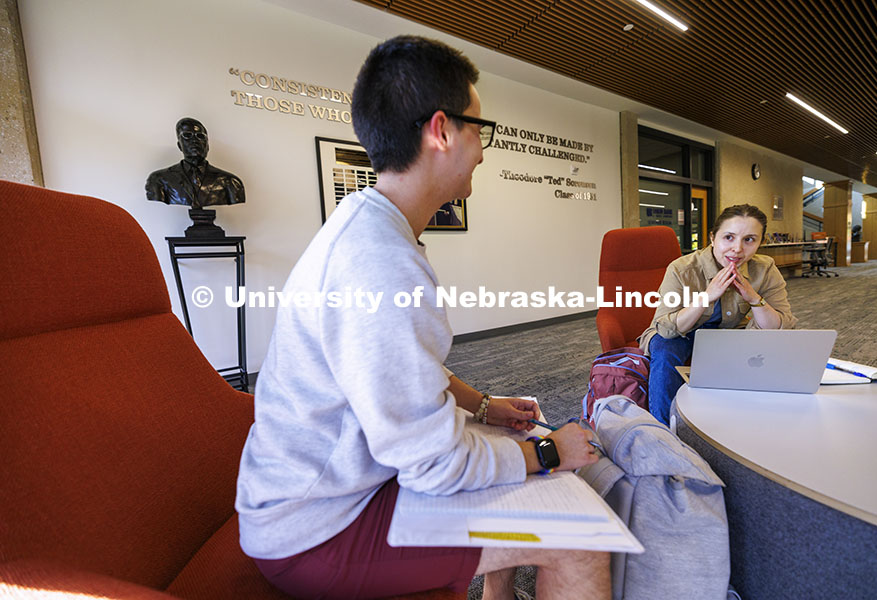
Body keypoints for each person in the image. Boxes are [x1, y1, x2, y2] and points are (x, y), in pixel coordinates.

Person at [235, 36, 609, 600]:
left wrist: (483, 406)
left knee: (511, 434)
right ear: (441, 130)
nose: (483, 150)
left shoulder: (370, 224)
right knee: (580, 534)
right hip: (315, 531)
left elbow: (404, 371)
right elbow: (433, 468)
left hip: (334, 486)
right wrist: (550, 452)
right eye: (480, 130)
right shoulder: (382, 267)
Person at [638, 204, 798, 424]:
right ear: (713, 238)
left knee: (772, 349)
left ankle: (753, 424)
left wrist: (754, 299)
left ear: (761, 242)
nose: (737, 249)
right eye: (729, 237)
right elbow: (665, 329)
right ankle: (666, 432)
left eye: (749, 239)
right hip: (684, 332)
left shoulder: (765, 268)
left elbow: (782, 326)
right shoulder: (681, 268)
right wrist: (707, 297)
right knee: (664, 348)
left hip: (730, 332)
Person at [145, 117, 245, 208]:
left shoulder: (230, 182)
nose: (194, 140)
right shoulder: (159, 180)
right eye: (187, 135)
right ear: (179, 145)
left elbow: (239, 210)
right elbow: (156, 210)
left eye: (200, 136)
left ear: (207, 146)